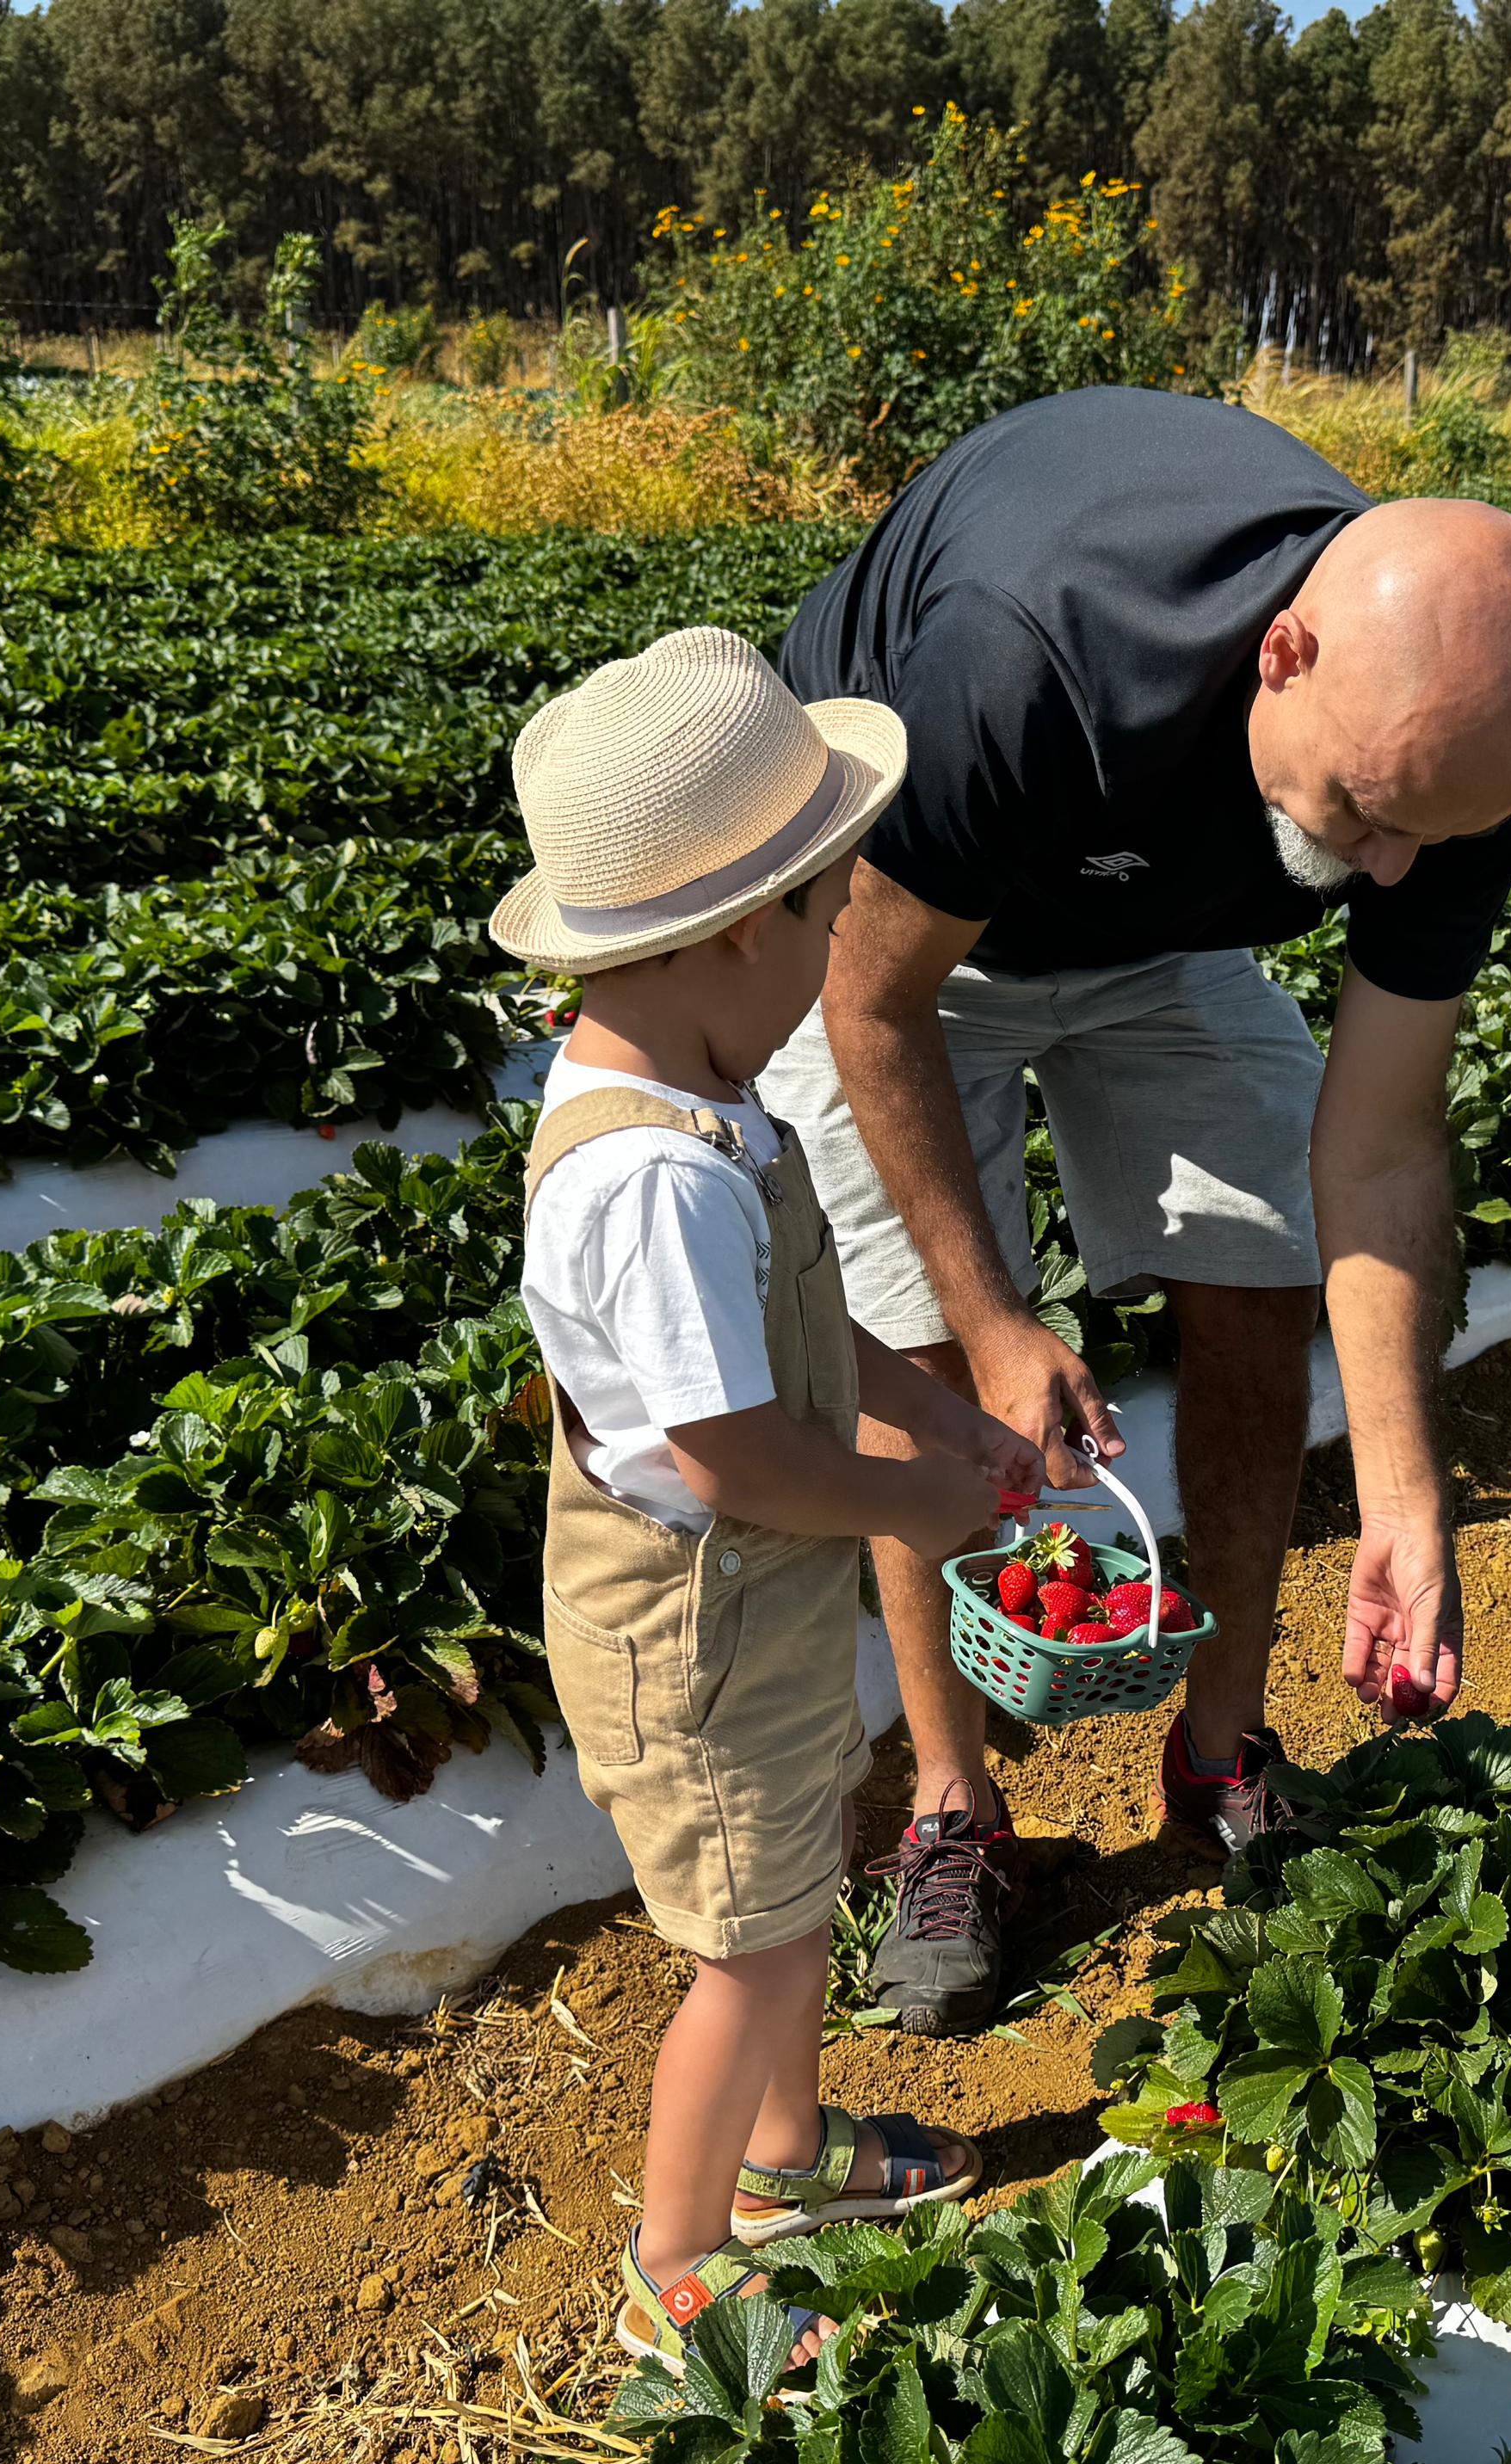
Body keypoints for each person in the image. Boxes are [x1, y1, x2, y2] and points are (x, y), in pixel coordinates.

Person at [766, 387, 1511, 2033]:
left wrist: (1408, 1497)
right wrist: (1003, 1328)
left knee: (1258, 1277)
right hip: (896, 912)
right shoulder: (1035, 657)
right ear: (1284, 654)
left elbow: (1376, 1142)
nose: (1393, 871)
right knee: (919, 1362)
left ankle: (1218, 1749)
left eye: (1440, 833)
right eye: (1362, 815)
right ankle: (954, 1812)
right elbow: (872, 1006)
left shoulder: (1456, 761)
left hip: (1154, 926)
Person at [495, 625, 1041, 2367]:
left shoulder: (706, 1103)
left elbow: (817, 1328)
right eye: (821, 910)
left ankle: (790, 2159)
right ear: (740, 929)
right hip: (692, 1618)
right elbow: (730, 1454)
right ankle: (678, 2258)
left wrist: (936, 1431)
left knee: (795, 1886)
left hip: (755, 1590)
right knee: (744, 1943)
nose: (837, 942)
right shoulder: (653, 1180)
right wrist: (908, 1501)